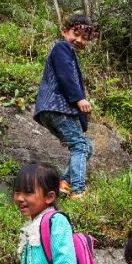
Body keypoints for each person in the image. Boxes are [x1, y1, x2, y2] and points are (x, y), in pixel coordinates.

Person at [34, 14, 96, 198]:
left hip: (50, 110)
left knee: (87, 146)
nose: (79, 40)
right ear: (64, 31)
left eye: (84, 38)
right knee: (80, 146)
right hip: (58, 106)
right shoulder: (62, 48)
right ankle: (78, 190)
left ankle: (65, 183)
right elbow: (66, 76)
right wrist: (79, 98)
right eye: (75, 34)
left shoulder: (67, 52)